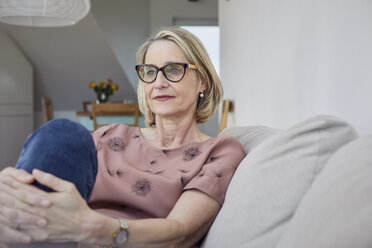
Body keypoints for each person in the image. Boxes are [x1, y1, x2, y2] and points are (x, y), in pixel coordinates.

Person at [0, 26, 245, 248]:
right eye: (149, 72)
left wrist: (91, 227)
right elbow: (47, 160)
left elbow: (181, 233)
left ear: (202, 81)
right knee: (62, 131)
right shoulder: (111, 135)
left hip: (113, 239)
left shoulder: (220, 151)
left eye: (173, 70)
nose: (158, 83)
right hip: (61, 238)